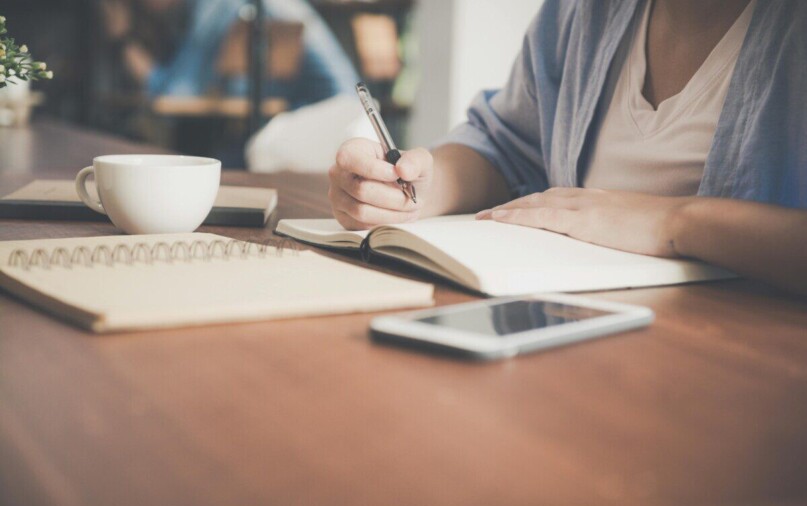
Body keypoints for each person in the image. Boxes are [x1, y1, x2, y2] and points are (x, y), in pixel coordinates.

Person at [328, 0, 807, 295]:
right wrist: (421, 188)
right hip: (570, 330)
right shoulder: (581, 12)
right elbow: (504, 146)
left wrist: (672, 222)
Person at [100, 0, 358, 108]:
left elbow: (175, 94)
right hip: (335, 112)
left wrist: (122, 37)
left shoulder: (215, 6)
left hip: (330, 120)